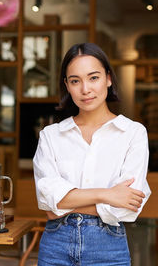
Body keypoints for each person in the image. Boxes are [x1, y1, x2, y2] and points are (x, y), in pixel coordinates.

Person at [32, 42, 151, 266]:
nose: (85, 89)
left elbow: (126, 206)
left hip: (108, 248)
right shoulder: (51, 136)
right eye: (75, 81)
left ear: (108, 78)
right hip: (55, 246)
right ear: (67, 85)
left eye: (93, 78)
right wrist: (106, 194)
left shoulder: (133, 133)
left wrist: (66, 201)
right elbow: (48, 205)